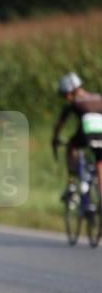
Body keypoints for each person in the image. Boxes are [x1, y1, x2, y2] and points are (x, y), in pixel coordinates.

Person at [51, 72, 102, 205]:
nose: (66, 97)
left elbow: (59, 125)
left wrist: (55, 139)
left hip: (87, 134)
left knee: (71, 145)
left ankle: (72, 183)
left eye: (65, 94)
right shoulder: (98, 97)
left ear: (69, 91)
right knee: (99, 161)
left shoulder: (74, 102)